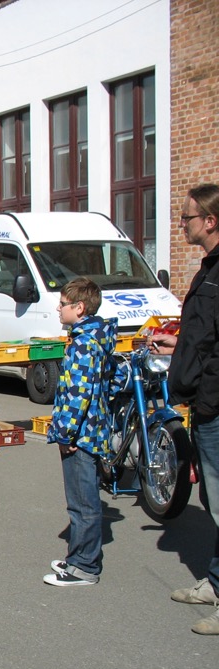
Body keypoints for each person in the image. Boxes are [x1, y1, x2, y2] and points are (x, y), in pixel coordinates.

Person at [152, 183, 219, 632]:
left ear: (210, 222)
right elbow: (203, 336)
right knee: (213, 498)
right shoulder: (208, 268)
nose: (181, 225)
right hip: (205, 397)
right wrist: (178, 346)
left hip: (215, 399)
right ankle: (214, 582)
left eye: (187, 218)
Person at [42, 278, 116, 587]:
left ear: (79, 308)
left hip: (81, 437)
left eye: (63, 304)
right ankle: (77, 557)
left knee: (83, 503)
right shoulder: (91, 337)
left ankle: (85, 566)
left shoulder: (85, 343)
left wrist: (65, 435)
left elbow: (78, 395)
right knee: (80, 501)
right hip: (87, 432)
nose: (58, 309)